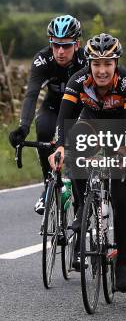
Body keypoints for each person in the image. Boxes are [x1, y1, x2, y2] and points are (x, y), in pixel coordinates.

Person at [49, 33, 126, 293]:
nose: (101, 70)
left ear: (116, 64)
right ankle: (82, 208)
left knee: (121, 200)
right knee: (74, 141)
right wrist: (59, 147)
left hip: (122, 132)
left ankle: (122, 265)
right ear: (88, 64)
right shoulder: (78, 80)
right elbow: (64, 118)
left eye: (107, 64)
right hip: (91, 126)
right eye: (96, 64)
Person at [9, 15, 85, 214]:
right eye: (56, 44)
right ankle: (48, 186)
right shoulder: (43, 59)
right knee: (42, 130)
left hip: (80, 109)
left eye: (66, 45)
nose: (60, 51)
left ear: (77, 44)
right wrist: (23, 127)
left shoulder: (86, 61)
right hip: (53, 107)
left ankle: (82, 198)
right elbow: (32, 94)